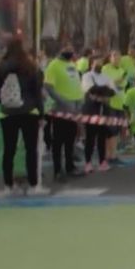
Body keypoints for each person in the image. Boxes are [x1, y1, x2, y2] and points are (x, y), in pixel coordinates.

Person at [0, 39, 45, 194]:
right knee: (31, 150)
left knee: (9, 150)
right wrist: (41, 113)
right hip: (29, 112)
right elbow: (37, 93)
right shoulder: (30, 67)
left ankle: (8, 185)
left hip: (7, 113)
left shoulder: (1, 67)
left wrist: (3, 101)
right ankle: (33, 184)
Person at [43, 45, 86, 182]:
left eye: (71, 49)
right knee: (58, 140)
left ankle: (70, 166)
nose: (70, 51)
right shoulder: (54, 65)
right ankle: (57, 170)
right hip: (61, 109)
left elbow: (76, 83)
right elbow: (49, 87)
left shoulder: (71, 64)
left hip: (74, 108)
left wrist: (80, 100)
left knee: (70, 139)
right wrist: (63, 101)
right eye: (66, 48)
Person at [81, 58, 118, 172]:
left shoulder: (105, 76)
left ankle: (103, 161)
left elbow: (113, 91)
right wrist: (104, 90)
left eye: (101, 62)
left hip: (104, 109)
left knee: (102, 137)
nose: (99, 64)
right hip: (91, 110)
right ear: (91, 64)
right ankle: (88, 163)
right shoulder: (87, 76)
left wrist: (101, 92)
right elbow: (90, 89)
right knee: (90, 138)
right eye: (97, 62)